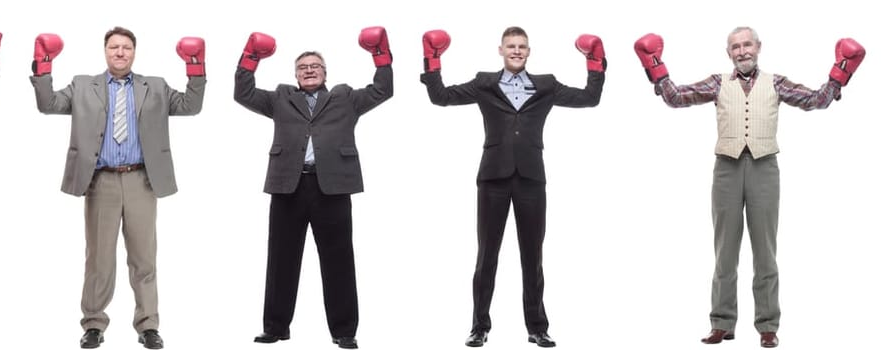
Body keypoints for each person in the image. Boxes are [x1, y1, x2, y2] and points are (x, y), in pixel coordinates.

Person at [633, 27, 864, 349]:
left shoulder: (776, 82)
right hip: (726, 170)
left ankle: (768, 326)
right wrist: (655, 65)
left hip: (764, 169)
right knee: (724, 253)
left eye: (746, 45)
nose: (742, 51)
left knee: (765, 254)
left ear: (758, 47)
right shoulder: (718, 83)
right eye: (735, 46)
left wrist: (841, 72)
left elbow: (816, 101)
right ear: (729, 53)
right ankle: (721, 324)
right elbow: (675, 98)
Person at [419, 26, 605, 348]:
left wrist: (595, 62)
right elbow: (441, 97)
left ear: (529, 51)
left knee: (532, 257)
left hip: (532, 178)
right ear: (501, 50)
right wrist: (432, 61)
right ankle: (479, 327)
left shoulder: (546, 86)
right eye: (510, 46)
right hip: (492, 178)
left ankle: (537, 328)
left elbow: (589, 98)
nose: (516, 51)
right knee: (486, 256)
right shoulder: (484, 84)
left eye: (521, 46)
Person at [29, 26, 206, 350]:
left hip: (142, 180)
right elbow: (48, 103)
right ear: (105, 51)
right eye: (114, 47)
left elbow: (190, 106)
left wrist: (196, 68)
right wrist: (43, 66)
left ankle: (148, 325)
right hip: (101, 182)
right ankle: (94, 324)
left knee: (144, 259)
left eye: (126, 47)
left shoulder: (155, 86)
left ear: (134, 52)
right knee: (99, 259)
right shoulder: (83, 85)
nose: (120, 52)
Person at [232, 27, 394, 350]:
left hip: (333, 188)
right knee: (281, 260)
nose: (309, 71)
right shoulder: (280, 97)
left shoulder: (345, 98)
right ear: (295, 75)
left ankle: (344, 331)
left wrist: (381, 55)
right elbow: (244, 94)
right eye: (303, 67)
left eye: (315, 66)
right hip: (287, 187)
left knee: (339, 261)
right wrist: (249, 59)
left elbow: (382, 90)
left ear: (325, 73)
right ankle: (276, 327)